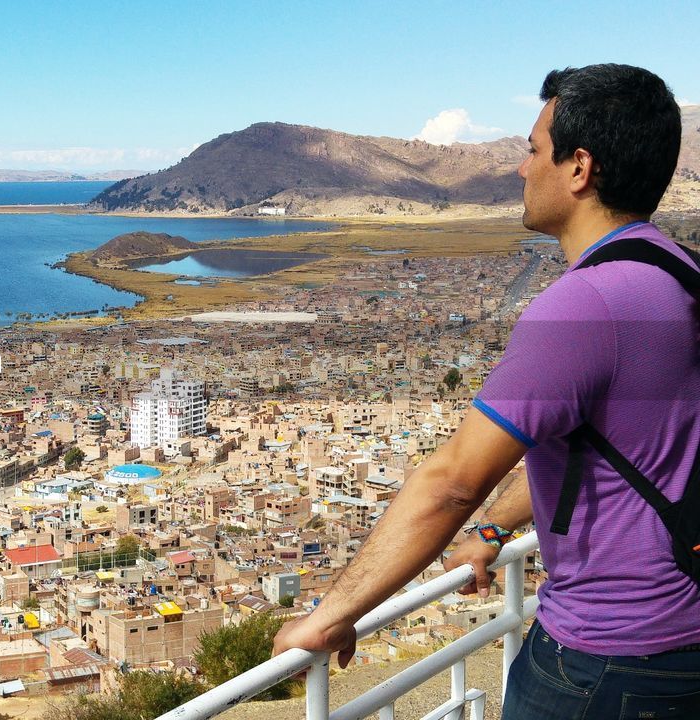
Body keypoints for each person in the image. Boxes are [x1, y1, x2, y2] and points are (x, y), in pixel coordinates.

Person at [272, 64, 699, 718]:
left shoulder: (582, 309)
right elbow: (613, 445)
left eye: (532, 150)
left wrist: (331, 614)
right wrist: (498, 529)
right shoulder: (682, 274)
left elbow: (450, 482)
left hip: (603, 664)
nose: (521, 169)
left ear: (579, 167)